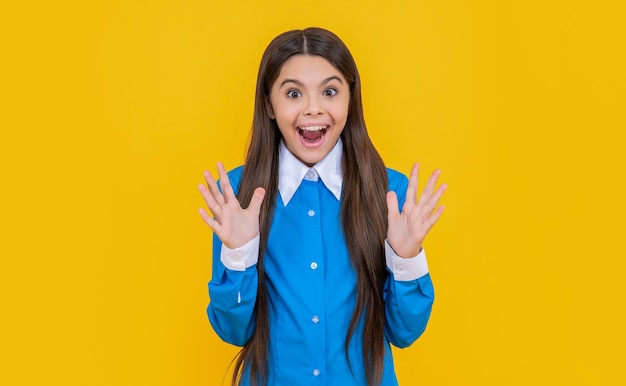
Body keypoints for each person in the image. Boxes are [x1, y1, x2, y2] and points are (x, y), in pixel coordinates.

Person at [199, 27, 447, 386]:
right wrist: (238, 254)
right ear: (269, 104)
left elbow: (404, 332)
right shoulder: (238, 195)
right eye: (294, 93)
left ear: (350, 99)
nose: (313, 108)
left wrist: (406, 259)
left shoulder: (391, 194)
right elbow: (233, 331)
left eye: (329, 92)